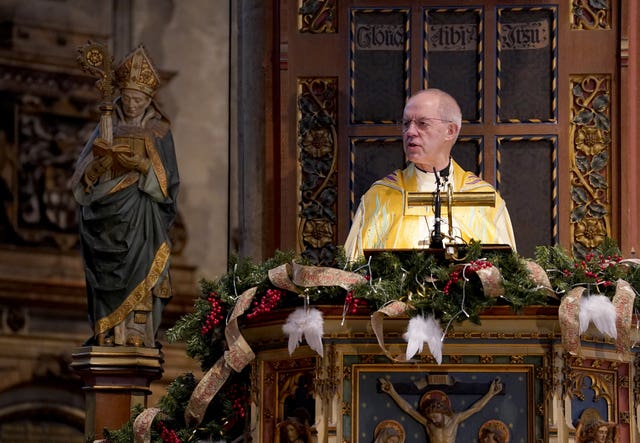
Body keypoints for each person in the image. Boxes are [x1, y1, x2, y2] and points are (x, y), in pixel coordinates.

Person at [71, 45, 180, 347]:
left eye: (139, 99)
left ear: (149, 100)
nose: (132, 104)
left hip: (141, 216)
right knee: (107, 275)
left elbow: (170, 185)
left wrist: (142, 166)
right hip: (107, 217)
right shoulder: (107, 126)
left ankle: (136, 330)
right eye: (128, 98)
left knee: (143, 266)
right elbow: (81, 176)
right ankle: (109, 328)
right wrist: (95, 170)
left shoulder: (159, 132)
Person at [344, 89, 516, 262]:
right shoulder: (380, 197)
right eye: (406, 123)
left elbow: (509, 276)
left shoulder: (484, 199)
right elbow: (353, 275)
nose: (410, 132)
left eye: (422, 124)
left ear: (450, 131)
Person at [378, 377, 503, 443]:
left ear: (443, 412)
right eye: (431, 417)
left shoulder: (455, 420)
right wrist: (392, 392)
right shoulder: (429, 424)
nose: (433, 419)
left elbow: (476, 408)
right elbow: (408, 409)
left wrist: (491, 394)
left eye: (435, 416)